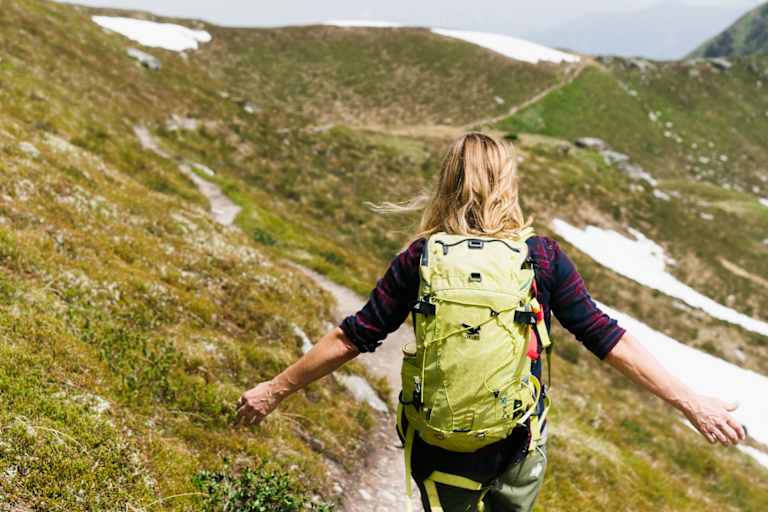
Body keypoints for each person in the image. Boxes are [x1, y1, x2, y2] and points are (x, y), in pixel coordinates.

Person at [235, 133, 746, 511]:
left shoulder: (421, 257)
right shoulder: (541, 257)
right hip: (516, 442)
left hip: (438, 442)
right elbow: (605, 337)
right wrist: (690, 402)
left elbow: (353, 337)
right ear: (507, 183)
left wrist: (273, 391)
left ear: (447, 182)